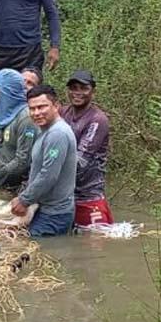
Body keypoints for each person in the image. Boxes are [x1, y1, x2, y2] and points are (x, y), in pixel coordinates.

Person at [11, 85, 77, 237]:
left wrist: (24, 200)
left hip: (55, 215)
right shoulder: (45, 131)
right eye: (32, 108)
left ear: (56, 106)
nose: (36, 113)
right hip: (45, 210)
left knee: (39, 256)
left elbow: (48, 175)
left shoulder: (57, 134)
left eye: (42, 107)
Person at [60, 69, 113, 226]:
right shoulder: (63, 112)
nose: (77, 93)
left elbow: (80, 161)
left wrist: (48, 174)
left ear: (93, 92)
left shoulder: (98, 119)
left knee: (95, 245)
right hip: (65, 196)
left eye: (83, 88)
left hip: (89, 196)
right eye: (73, 88)